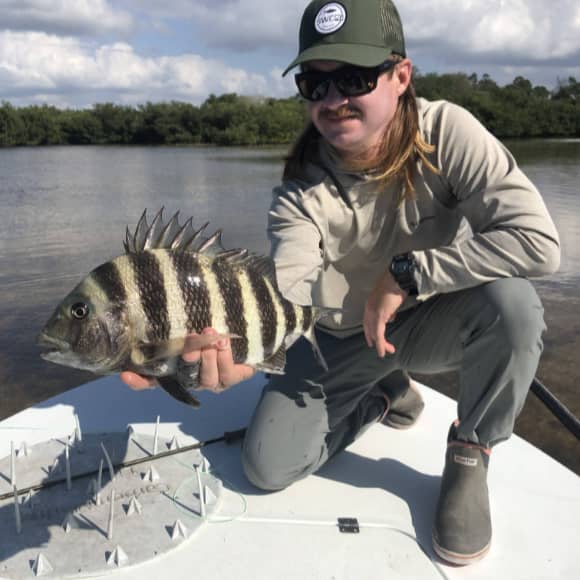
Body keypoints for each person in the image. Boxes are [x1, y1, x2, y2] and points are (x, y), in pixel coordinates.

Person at [122, 0, 561, 566]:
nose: (333, 100)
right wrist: (227, 356)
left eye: (353, 78)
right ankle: (381, 394)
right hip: (331, 338)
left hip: (421, 320)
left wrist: (408, 274)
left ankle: (471, 448)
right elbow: (289, 293)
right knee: (266, 467)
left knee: (515, 306)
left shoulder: (447, 132)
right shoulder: (297, 193)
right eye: (315, 83)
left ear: (400, 76)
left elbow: (539, 244)